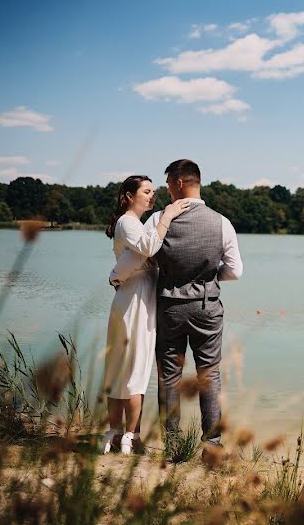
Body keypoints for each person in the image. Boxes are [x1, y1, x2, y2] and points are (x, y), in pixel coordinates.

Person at [113, 159, 243, 451]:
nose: (166, 191)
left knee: (168, 374)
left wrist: (116, 276)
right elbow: (235, 271)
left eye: (169, 184)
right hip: (207, 307)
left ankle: (172, 444)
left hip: (170, 307)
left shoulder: (160, 217)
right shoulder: (222, 222)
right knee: (209, 373)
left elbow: (140, 255)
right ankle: (212, 443)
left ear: (179, 183)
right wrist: (209, 279)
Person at [102, 175, 190, 454]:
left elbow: (137, 256)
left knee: (119, 367)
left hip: (132, 295)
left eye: (154, 191)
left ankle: (116, 434)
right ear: (128, 195)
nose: (153, 196)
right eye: (147, 191)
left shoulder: (133, 223)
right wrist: (169, 214)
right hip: (136, 299)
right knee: (135, 367)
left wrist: (117, 274)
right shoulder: (128, 222)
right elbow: (149, 248)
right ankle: (131, 436)